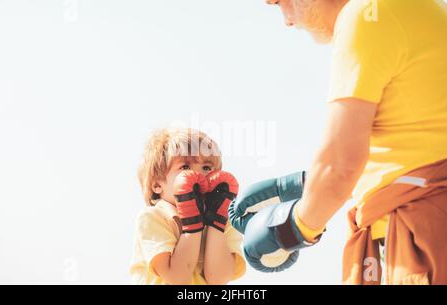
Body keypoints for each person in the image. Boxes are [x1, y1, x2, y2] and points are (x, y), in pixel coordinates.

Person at [229, 0, 447, 284]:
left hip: (422, 237)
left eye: (279, 2)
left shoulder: (364, 15)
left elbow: (341, 164)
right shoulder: (415, 8)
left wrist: (289, 228)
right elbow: (413, 138)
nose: (286, 20)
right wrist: (306, 184)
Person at [131, 128, 246, 284]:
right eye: (185, 167)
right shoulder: (152, 218)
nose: (198, 176)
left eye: (206, 168)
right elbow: (178, 277)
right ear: (157, 185)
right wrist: (191, 219)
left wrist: (216, 222)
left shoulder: (225, 220)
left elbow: (218, 278)